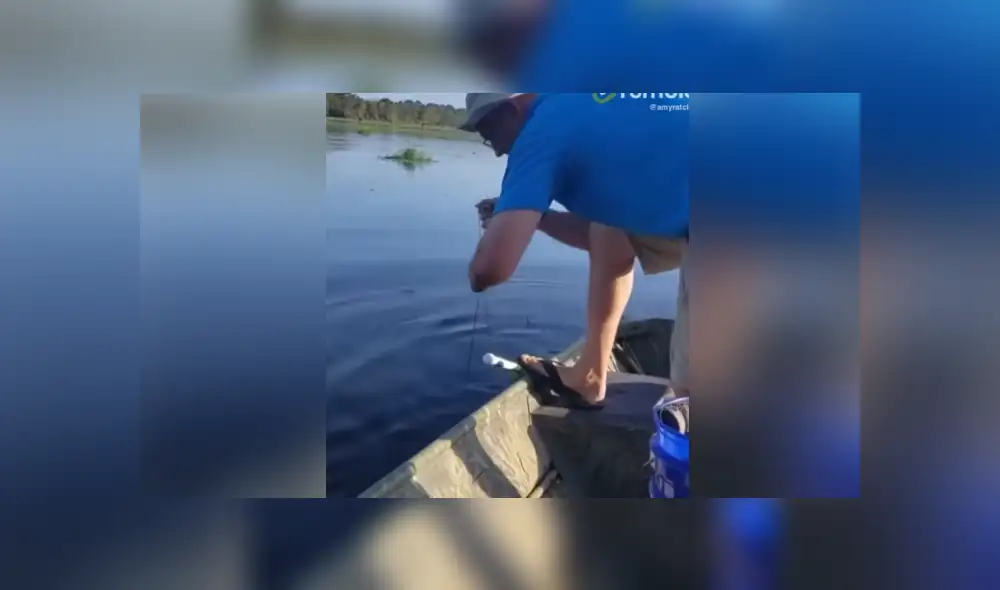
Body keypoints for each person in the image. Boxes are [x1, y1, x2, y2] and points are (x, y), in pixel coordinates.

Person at [460, 92, 688, 409]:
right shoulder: (583, 102)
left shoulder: (543, 129)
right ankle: (590, 374)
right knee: (609, 231)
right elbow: (603, 236)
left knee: (689, 400)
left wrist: (476, 275)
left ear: (512, 108)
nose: (497, 150)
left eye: (489, 134)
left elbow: (491, 268)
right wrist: (536, 217)